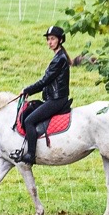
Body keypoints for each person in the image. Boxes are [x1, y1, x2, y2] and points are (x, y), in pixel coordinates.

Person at [15, 26, 71, 165]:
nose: (49, 42)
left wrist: (27, 90)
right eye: (48, 39)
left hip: (56, 100)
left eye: (52, 39)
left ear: (60, 40)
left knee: (29, 121)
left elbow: (45, 81)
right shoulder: (59, 56)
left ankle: (31, 155)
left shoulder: (59, 59)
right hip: (53, 98)